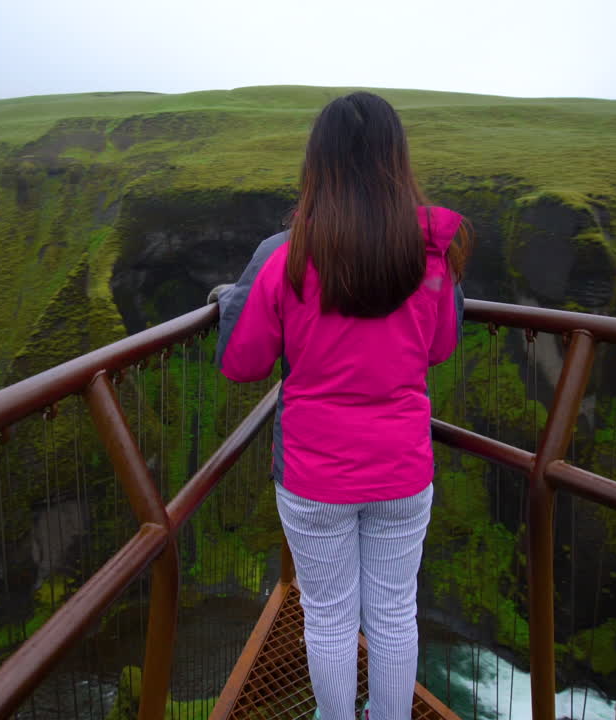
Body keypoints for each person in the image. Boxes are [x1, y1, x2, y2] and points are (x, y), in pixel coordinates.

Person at [213, 92, 470, 720]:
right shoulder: (431, 253)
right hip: (402, 467)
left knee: (327, 621)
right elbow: (438, 346)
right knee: (394, 614)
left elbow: (241, 363)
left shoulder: (284, 254)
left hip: (314, 474)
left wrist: (230, 302)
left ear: (317, 163)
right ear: (397, 159)